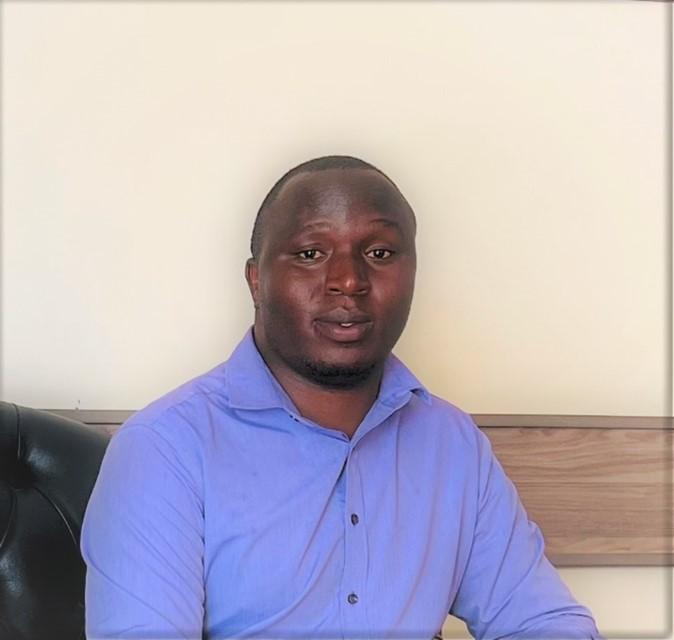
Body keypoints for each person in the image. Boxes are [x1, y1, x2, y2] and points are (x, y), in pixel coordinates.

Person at [81, 155, 601, 640]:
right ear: (257, 281)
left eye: (379, 254)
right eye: (311, 254)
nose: (349, 280)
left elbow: (543, 620)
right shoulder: (166, 448)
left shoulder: (452, 442)